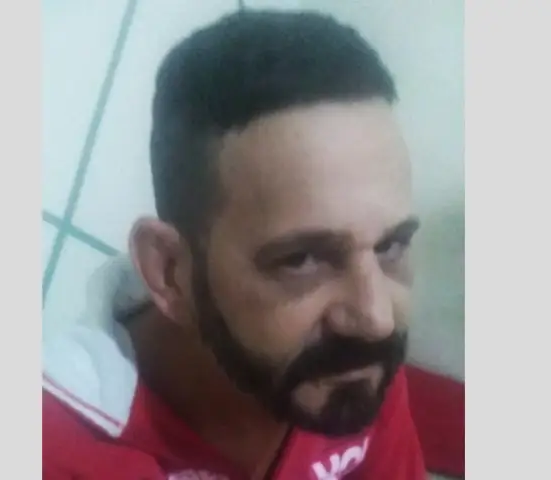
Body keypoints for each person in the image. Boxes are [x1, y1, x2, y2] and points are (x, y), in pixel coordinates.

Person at [43, 10, 430, 480]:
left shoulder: (348, 367)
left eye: (390, 247)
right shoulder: (56, 452)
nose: (376, 318)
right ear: (170, 272)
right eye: (302, 260)